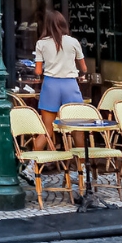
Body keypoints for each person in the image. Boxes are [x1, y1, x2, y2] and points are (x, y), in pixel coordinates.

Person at [33, 11, 87, 152]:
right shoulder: (73, 42)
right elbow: (84, 68)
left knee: (47, 129)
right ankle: (81, 166)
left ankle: (32, 167)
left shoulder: (41, 43)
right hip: (70, 84)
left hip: (51, 85)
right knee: (77, 128)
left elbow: (38, 71)